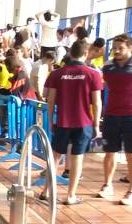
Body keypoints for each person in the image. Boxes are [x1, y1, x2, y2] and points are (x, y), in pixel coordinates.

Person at [44, 40, 103, 205]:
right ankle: (70, 196)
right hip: (83, 123)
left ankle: (46, 191)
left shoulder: (57, 74)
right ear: (86, 53)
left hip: (63, 121)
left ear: (70, 53)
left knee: (55, 157)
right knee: (77, 158)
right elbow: (97, 103)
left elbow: (50, 99)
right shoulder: (93, 74)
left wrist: (51, 120)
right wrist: (96, 125)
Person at [98, 34, 132, 205]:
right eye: (114, 48)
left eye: (120, 48)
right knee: (110, 151)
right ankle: (107, 185)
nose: (116, 51)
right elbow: (106, 84)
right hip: (112, 115)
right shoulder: (108, 66)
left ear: (131, 48)